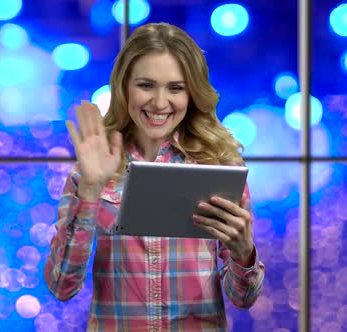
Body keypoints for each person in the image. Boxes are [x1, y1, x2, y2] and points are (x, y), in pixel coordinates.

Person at [44, 22, 265, 331]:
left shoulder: (219, 166)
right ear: (124, 87)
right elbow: (61, 286)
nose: (160, 103)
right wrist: (91, 193)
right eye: (146, 85)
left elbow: (243, 297)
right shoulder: (93, 168)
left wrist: (244, 253)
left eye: (175, 88)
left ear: (192, 93)